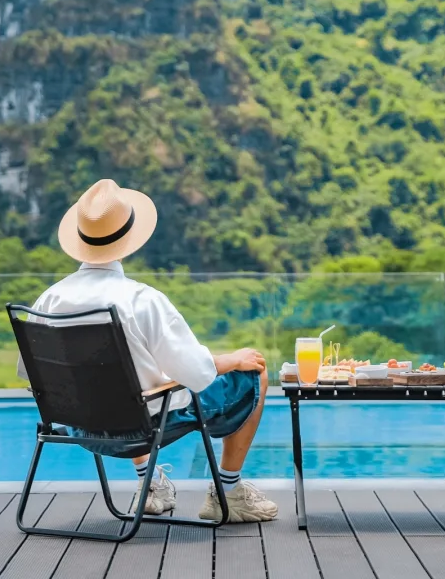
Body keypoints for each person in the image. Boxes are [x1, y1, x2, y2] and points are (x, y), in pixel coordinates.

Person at [21, 177, 278, 523]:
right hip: (140, 430)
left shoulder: (48, 300)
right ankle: (227, 493)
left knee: (131, 382)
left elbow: (30, 374)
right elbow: (197, 375)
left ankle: (152, 486)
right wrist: (233, 359)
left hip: (79, 429)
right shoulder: (142, 300)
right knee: (254, 372)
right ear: (128, 243)